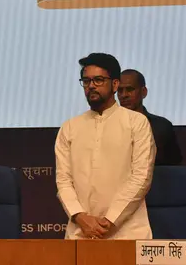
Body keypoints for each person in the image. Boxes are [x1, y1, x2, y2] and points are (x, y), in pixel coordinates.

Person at [55, 53, 156, 239]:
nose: (91, 86)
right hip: (81, 231)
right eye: (86, 81)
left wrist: (109, 221)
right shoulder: (69, 127)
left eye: (98, 80)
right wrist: (80, 217)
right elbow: (63, 180)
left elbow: (141, 178)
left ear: (115, 84)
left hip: (127, 232)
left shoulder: (137, 123)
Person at [118, 69, 182, 165]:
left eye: (130, 90)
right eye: (120, 90)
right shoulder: (109, 125)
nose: (124, 95)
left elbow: (172, 167)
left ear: (143, 92)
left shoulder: (162, 127)